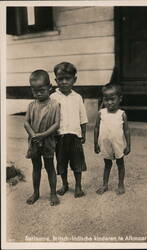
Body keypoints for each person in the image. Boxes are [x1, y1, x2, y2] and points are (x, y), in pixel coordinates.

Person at [51, 62, 88, 198]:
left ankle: (78, 186)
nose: (64, 82)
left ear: (74, 80)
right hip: (59, 136)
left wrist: (83, 133)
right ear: (56, 80)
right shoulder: (53, 98)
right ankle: (65, 184)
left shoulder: (77, 97)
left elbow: (82, 116)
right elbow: (50, 118)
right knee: (62, 162)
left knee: (77, 162)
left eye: (68, 78)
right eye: (61, 79)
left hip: (74, 136)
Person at [24, 70, 60, 206]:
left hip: (48, 141)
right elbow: (26, 122)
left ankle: (53, 193)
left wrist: (43, 135)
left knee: (50, 166)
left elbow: (56, 124)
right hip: (34, 141)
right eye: (35, 91)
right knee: (36, 167)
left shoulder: (55, 105)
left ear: (49, 87)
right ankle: (36, 192)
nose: (38, 93)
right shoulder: (31, 105)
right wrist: (33, 135)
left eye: (42, 90)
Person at [94, 82, 130, 195]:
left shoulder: (122, 114)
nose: (109, 103)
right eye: (106, 99)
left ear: (120, 98)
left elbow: (127, 130)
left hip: (118, 144)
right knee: (107, 164)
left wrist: (128, 145)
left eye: (112, 99)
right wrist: (95, 143)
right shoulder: (101, 113)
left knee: (120, 163)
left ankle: (120, 184)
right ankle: (104, 185)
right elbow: (96, 128)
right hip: (105, 144)